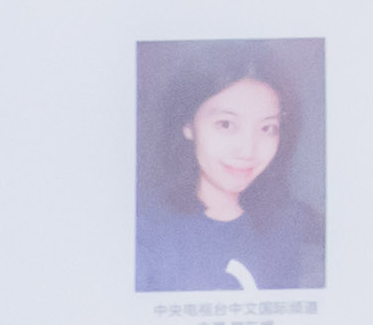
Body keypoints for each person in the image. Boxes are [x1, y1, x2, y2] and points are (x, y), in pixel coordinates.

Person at [135, 54, 317, 294]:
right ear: (188, 125)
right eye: (226, 124)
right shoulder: (144, 228)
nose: (248, 150)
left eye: (267, 128)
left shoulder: (288, 221)